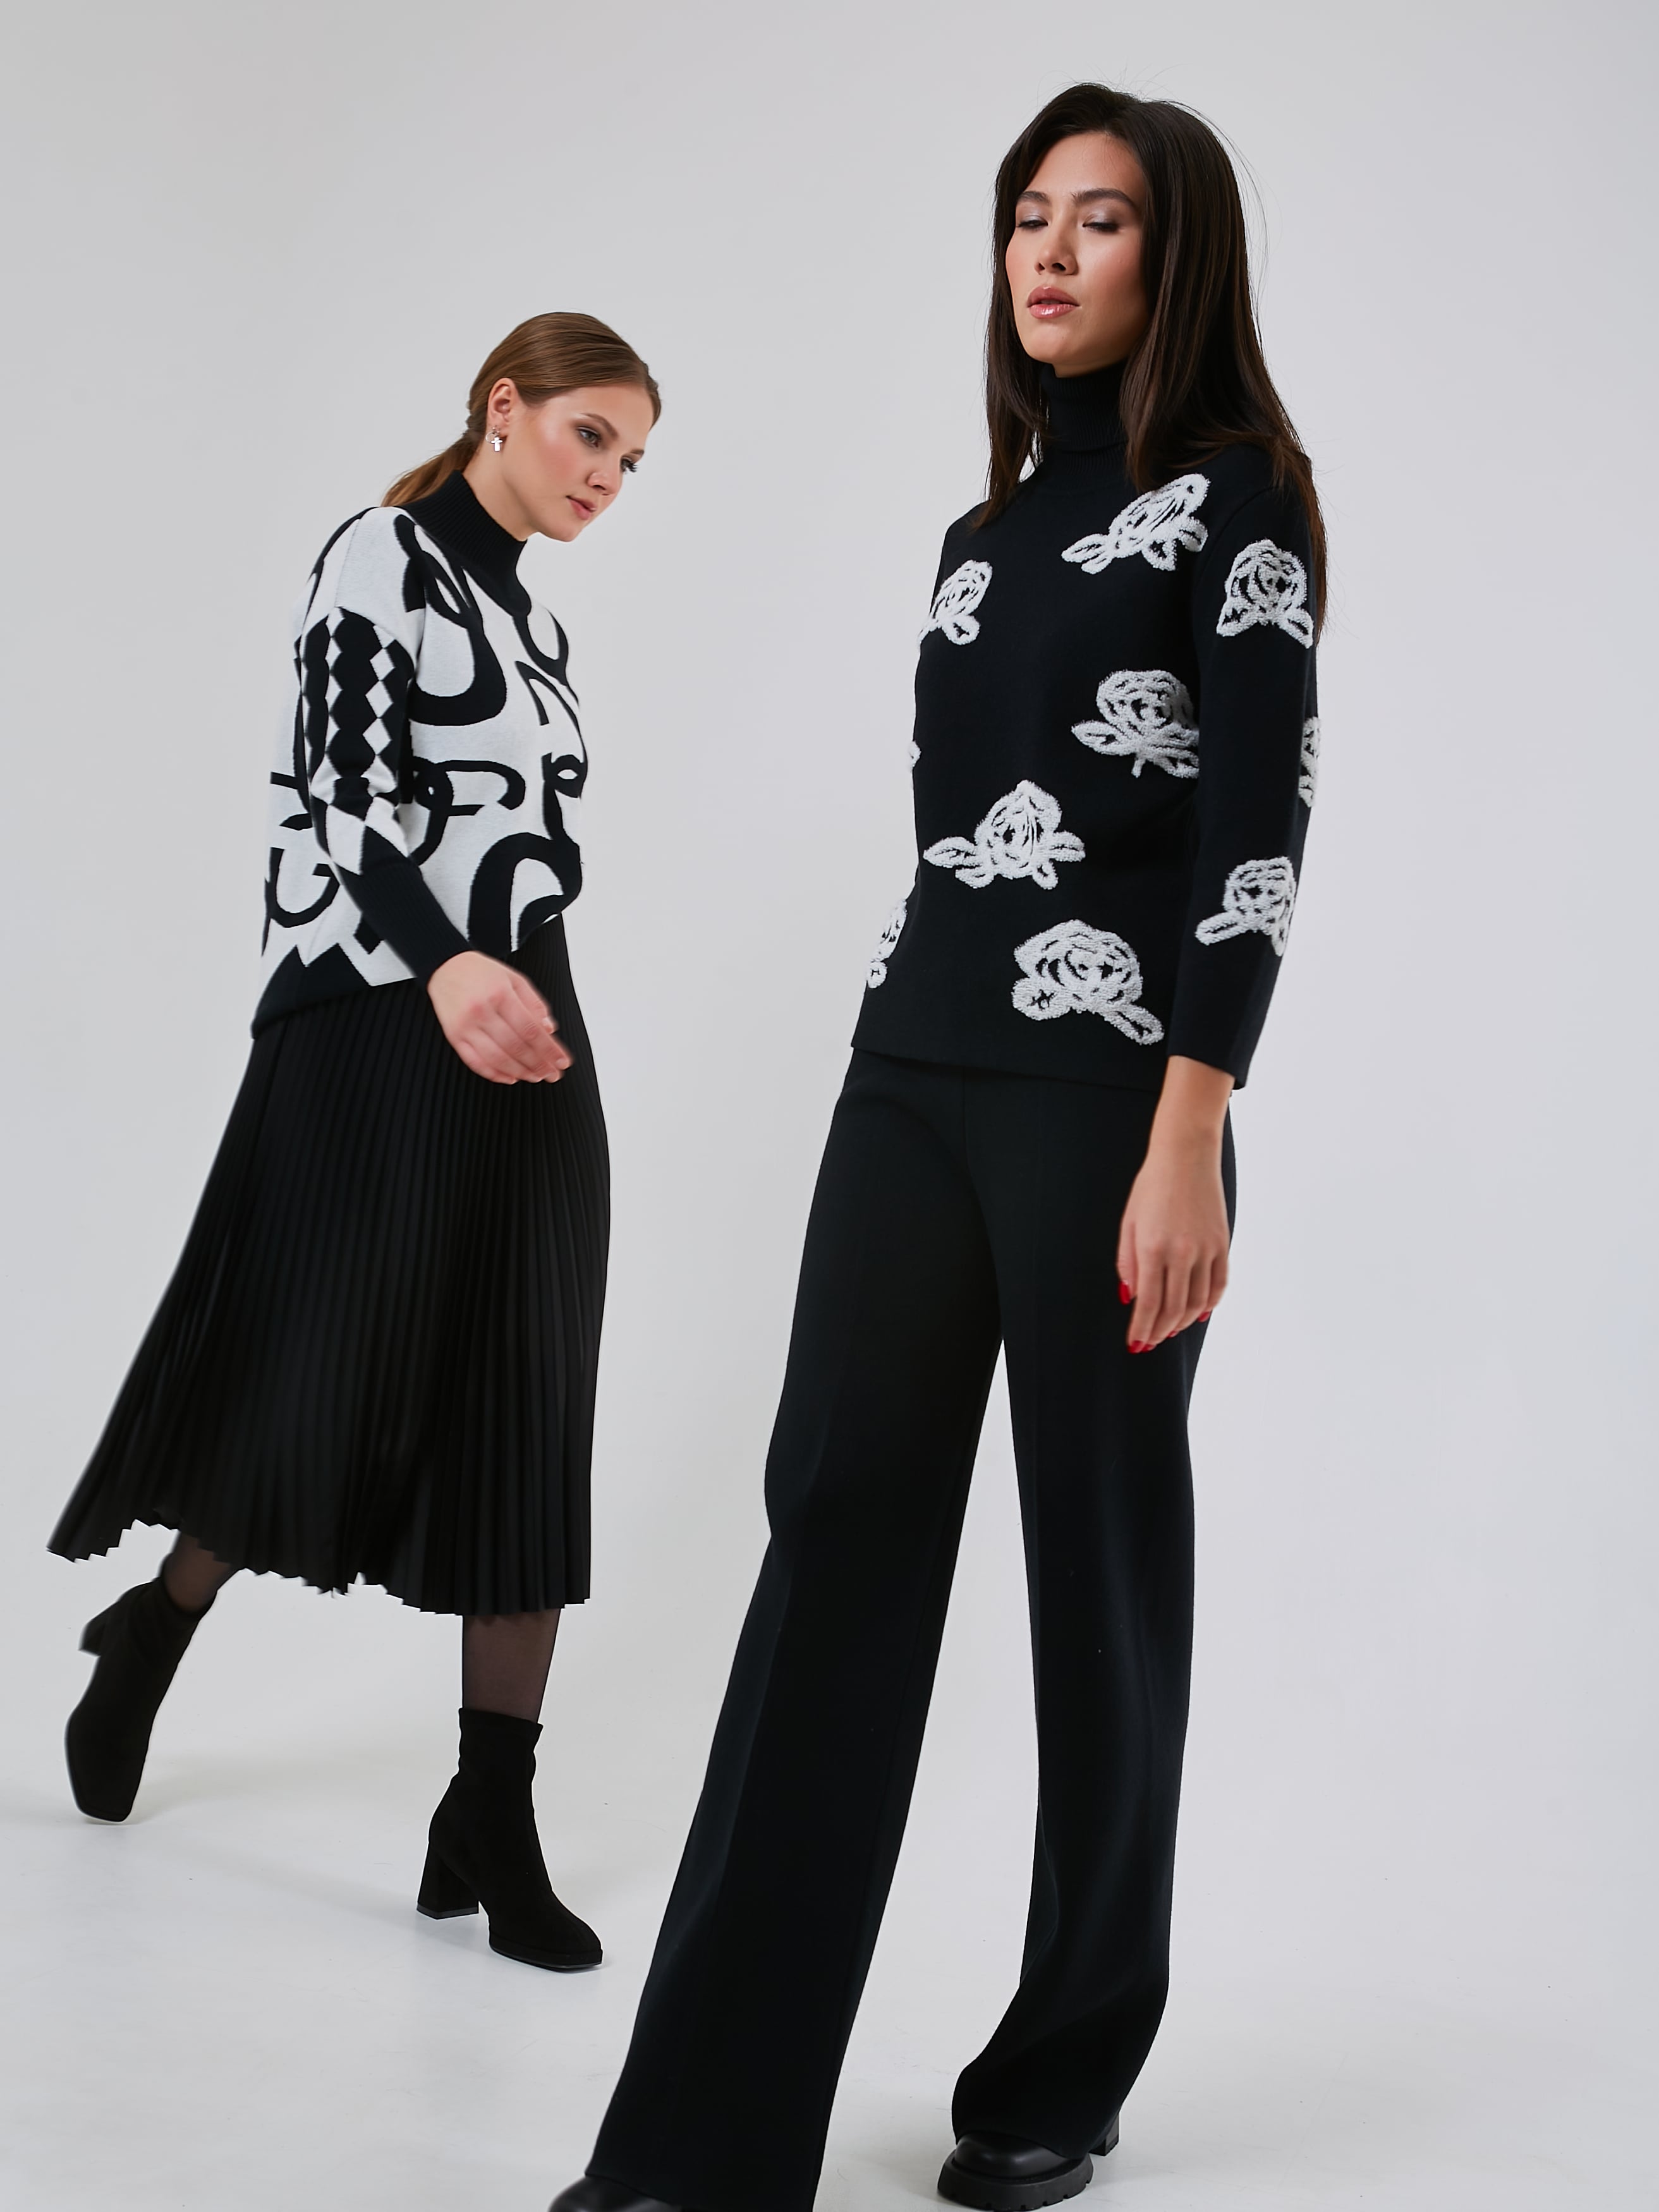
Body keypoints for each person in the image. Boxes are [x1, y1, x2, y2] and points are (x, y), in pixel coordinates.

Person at [550, 80, 1324, 2212]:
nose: (1048, 252)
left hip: (1114, 1107)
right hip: (909, 1069)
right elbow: (949, 836)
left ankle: (1062, 2067)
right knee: (831, 1546)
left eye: (1100, 219)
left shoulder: (1240, 501)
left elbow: (1254, 832)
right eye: (1025, 215)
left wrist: (1192, 1125)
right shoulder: (978, 543)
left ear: (1176, 255)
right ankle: (696, 2146)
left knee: (1097, 1567)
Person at [50, 311, 660, 1976]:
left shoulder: (534, 627)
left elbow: (527, 837)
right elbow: (345, 794)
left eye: (631, 461)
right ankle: (155, 1625)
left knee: (529, 1373)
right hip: (374, 1001)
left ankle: (490, 1806)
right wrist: (445, 965)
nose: (608, 479)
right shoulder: (379, 556)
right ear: (505, 407)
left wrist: (504, 974)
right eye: (591, 436)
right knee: (323, 1363)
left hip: (519, 1005)